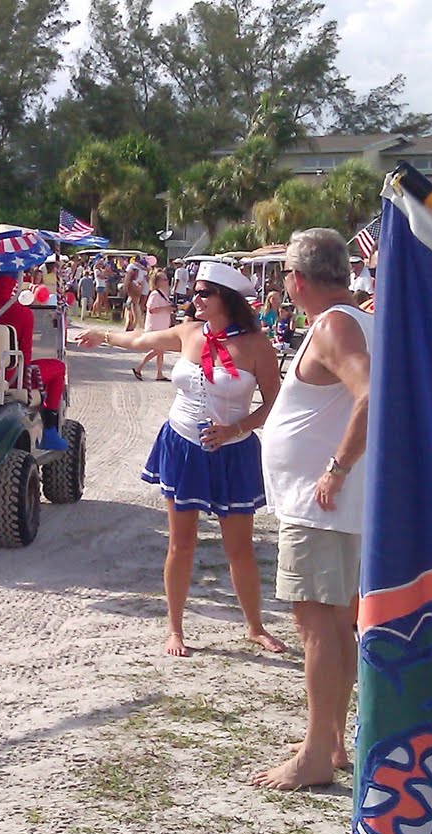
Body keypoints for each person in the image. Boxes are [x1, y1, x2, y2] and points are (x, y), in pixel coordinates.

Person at [79, 261, 286, 658]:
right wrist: (103, 335)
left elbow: (275, 405)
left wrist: (236, 429)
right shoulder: (189, 331)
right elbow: (141, 340)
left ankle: (255, 626)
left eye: (203, 292)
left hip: (232, 452)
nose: (195, 298)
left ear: (225, 299)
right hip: (183, 444)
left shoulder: (258, 346)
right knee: (182, 543)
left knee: (239, 548)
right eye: (196, 291)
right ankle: (174, 629)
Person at [252, 228, 373, 791]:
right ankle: (331, 741)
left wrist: (337, 467)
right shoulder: (351, 320)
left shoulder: (334, 325)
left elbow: (369, 393)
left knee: (317, 624)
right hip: (329, 506)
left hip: (321, 505)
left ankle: (316, 754)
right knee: (334, 623)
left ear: (296, 280)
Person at [0, 272, 70, 451]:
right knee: (59, 368)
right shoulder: (23, 313)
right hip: (13, 376)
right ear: (14, 283)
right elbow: (26, 356)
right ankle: (51, 430)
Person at [134, 269, 175, 381]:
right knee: (159, 349)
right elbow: (151, 309)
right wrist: (166, 308)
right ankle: (139, 367)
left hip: (162, 326)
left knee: (160, 351)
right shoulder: (155, 294)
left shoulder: (163, 294)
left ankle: (159, 373)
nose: (167, 281)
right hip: (155, 326)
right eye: (164, 279)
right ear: (158, 282)